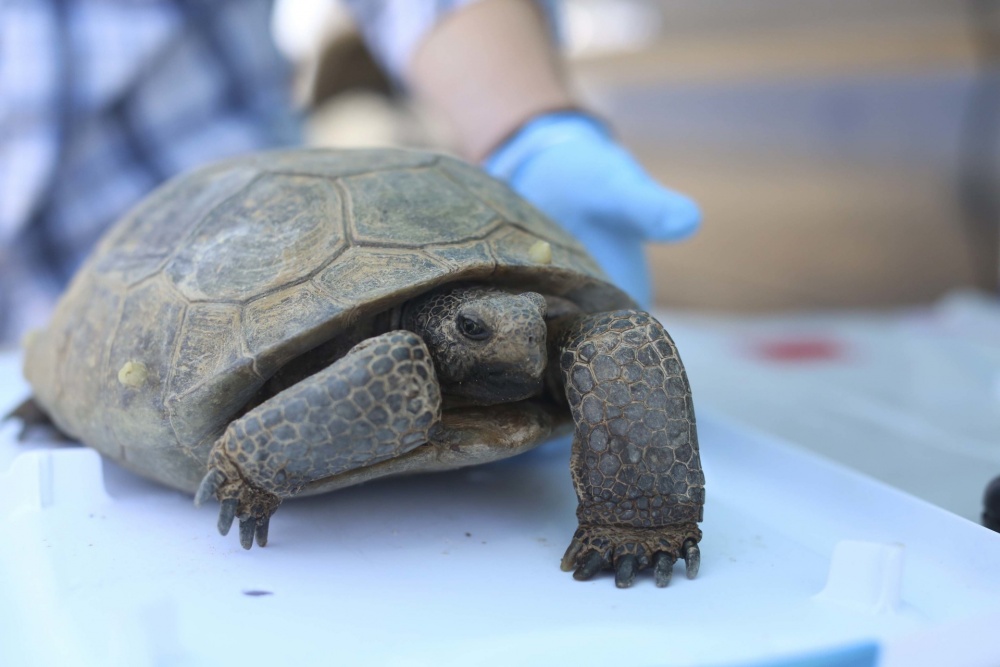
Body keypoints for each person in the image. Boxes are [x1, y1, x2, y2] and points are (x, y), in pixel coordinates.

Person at [0, 0, 699, 344]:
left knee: (622, 348)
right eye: (482, 333)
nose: (517, 347)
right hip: (121, 309)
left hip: (254, 254)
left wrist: (529, 127)